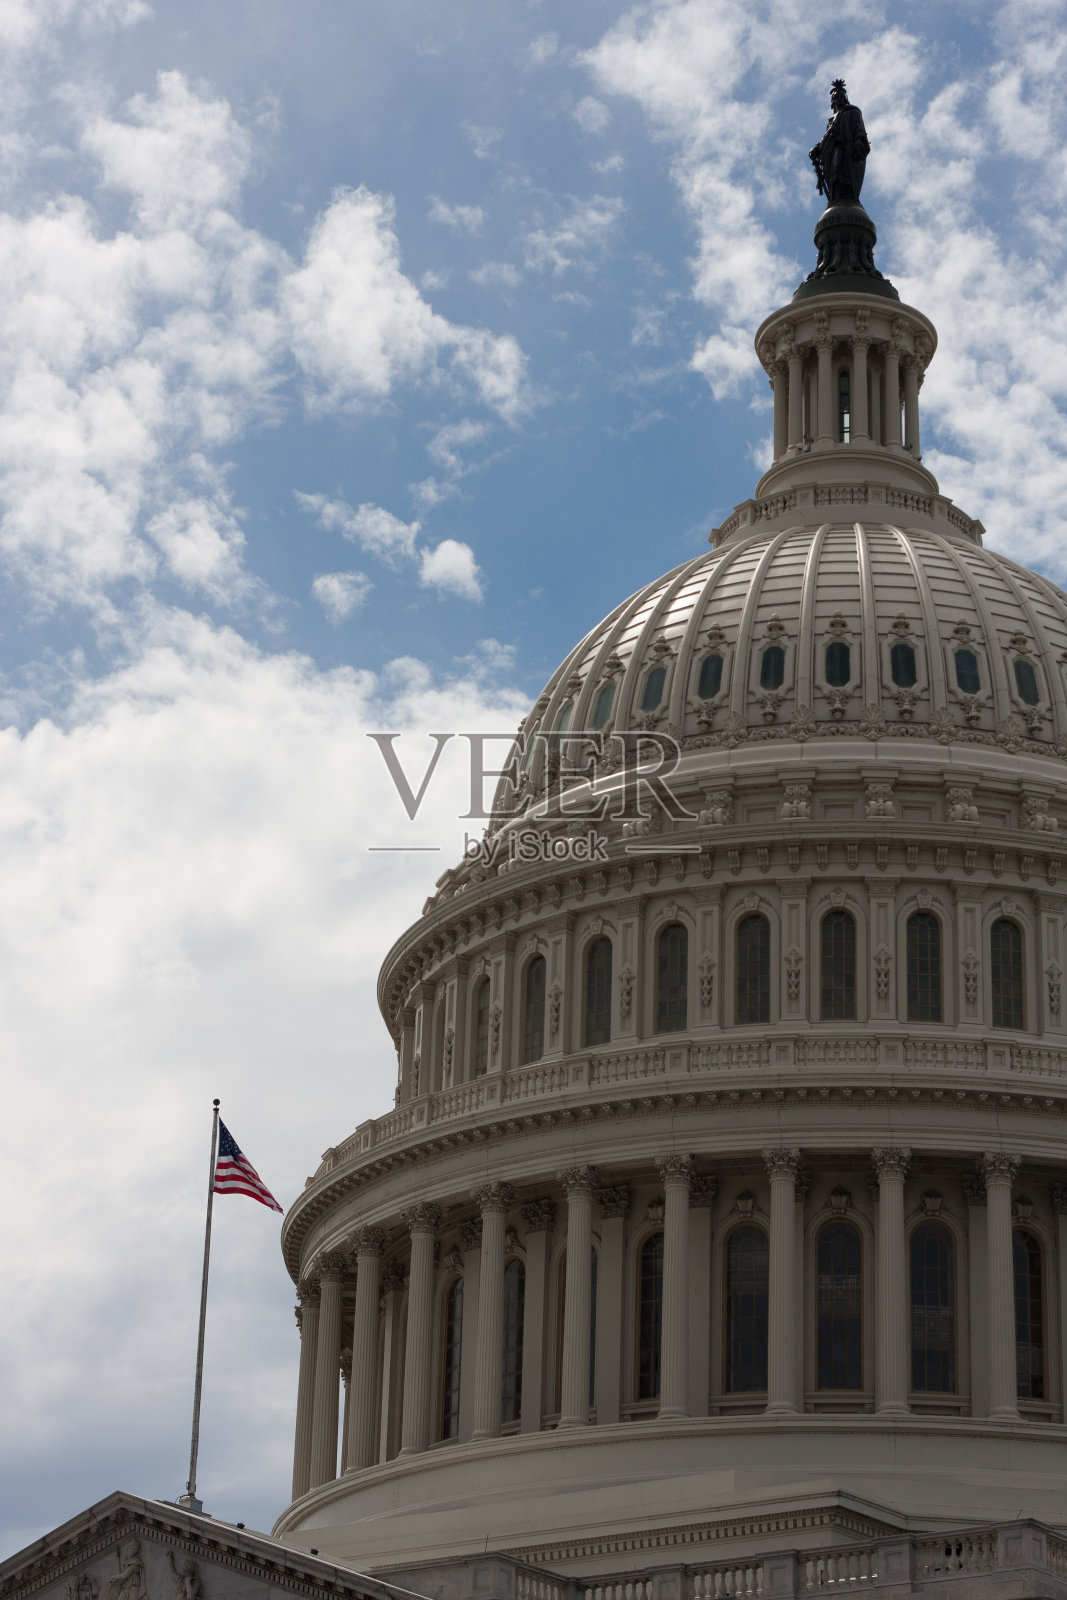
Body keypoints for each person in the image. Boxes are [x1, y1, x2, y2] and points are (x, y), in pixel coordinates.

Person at [809, 80, 870, 204]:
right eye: (836, 98)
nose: (839, 99)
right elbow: (827, 138)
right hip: (830, 151)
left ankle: (846, 197)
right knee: (832, 175)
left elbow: (859, 130)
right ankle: (835, 197)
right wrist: (818, 148)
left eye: (841, 97)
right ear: (832, 102)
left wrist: (858, 141)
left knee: (840, 171)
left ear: (846, 98)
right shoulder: (831, 120)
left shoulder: (853, 112)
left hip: (845, 147)